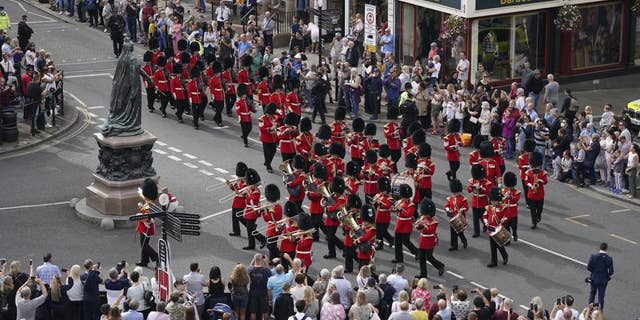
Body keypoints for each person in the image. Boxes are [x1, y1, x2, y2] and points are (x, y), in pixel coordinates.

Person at [415, 199, 445, 278]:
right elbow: (418, 228)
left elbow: (431, 231)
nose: (425, 215)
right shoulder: (422, 218)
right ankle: (423, 274)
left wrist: (424, 225)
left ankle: (440, 265)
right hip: (422, 240)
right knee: (421, 258)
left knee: (429, 257)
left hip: (429, 241)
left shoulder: (434, 221)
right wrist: (418, 225)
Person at [483, 187, 509, 268]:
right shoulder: (489, 208)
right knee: (492, 247)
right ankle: (494, 262)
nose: (492, 202)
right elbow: (484, 216)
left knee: (499, 245)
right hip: (491, 229)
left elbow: (507, 216)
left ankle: (505, 256)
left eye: (494, 201)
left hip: (499, 230)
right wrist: (486, 222)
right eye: (491, 200)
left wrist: (503, 219)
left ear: (497, 200)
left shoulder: (502, 207)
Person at [136, 178, 160, 267]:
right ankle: (144, 260)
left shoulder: (149, 206)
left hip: (146, 227)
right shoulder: (149, 202)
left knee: (144, 246)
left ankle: (157, 257)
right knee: (143, 244)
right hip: (144, 227)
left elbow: (147, 219)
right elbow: (144, 197)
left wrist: (138, 216)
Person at [587, 242, 614, 309]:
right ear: (606, 249)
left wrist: (594, 272)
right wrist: (606, 275)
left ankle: (589, 311)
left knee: (592, 294)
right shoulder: (609, 259)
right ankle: (599, 312)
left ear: (600, 248)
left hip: (594, 278)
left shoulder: (593, 256)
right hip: (603, 280)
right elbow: (611, 271)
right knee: (601, 297)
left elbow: (589, 267)